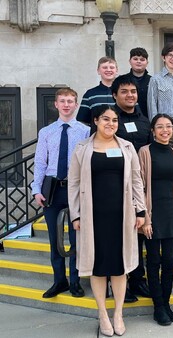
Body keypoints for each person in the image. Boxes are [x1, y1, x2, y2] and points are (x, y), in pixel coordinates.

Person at [68, 105, 147, 337]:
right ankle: (102, 313)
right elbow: (73, 183)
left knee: (120, 266)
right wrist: (75, 214)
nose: (111, 124)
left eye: (114, 120)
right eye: (106, 119)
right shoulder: (82, 148)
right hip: (93, 216)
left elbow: (136, 180)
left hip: (122, 215)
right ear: (95, 121)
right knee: (98, 266)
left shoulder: (127, 147)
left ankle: (118, 314)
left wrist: (141, 211)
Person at [31, 88, 89, 299]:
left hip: (75, 190)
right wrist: (36, 189)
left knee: (76, 238)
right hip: (52, 190)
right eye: (62, 101)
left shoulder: (84, 131)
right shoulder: (46, 132)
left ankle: (75, 281)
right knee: (55, 239)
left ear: (75, 105)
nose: (66, 105)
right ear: (56, 104)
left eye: (70, 101)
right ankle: (59, 280)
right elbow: (40, 162)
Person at [138, 114, 173, 326]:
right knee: (153, 260)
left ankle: (166, 303)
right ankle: (158, 306)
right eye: (160, 127)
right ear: (153, 130)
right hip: (151, 212)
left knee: (169, 260)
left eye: (168, 126)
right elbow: (139, 186)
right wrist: (145, 218)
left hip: (169, 212)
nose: (165, 130)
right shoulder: (145, 152)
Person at [110, 74, 153, 301]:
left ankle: (138, 280)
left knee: (139, 235)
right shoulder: (108, 119)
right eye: (125, 92)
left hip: (140, 186)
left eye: (133, 92)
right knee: (119, 236)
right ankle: (120, 283)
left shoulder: (144, 120)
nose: (130, 96)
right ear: (115, 95)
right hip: (116, 186)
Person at [77, 56, 118, 125]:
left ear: (116, 71)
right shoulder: (90, 94)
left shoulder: (124, 93)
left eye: (112, 67)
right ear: (98, 71)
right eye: (104, 67)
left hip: (121, 134)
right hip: (97, 134)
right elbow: (82, 122)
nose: (108, 70)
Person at [128, 47, 151, 118]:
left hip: (148, 121)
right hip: (127, 119)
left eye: (142, 59)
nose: (139, 61)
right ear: (130, 61)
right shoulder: (123, 80)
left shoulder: (152, 81)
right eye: (135, 59)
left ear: (147, 62)